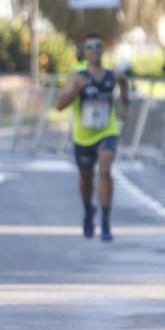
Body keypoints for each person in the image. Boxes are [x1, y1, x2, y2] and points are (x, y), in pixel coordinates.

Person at [54, 31, 129, 242]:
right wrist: (76, 90)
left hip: (107, 131)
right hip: (83, 136)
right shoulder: (77, 76)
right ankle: (89, 210)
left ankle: (106, 223)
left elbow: (124, 83)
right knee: (86, 179)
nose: (94, 50)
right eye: (90, 47)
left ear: (103, 49)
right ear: (84, 52)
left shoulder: (113, 74)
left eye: (98, 45)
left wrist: (125, 103)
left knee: (104, 170)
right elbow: (59, 105)